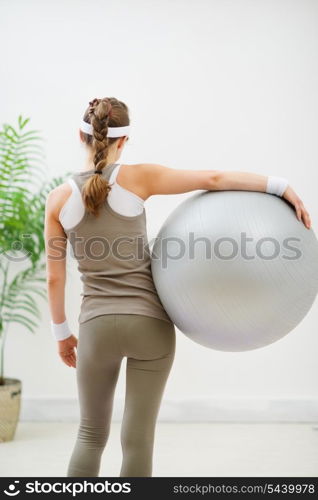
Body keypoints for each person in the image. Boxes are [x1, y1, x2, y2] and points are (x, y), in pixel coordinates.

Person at [44, 96, 311, 477]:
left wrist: (62, 335)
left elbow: (55, 277)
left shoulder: (57, 200)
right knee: (138, 440)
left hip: (96, 328)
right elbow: (214, 179)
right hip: (149, 327)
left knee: (89, 435)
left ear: (80, 135)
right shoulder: (139, 178)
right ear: (124, 140)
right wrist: (280, 186)